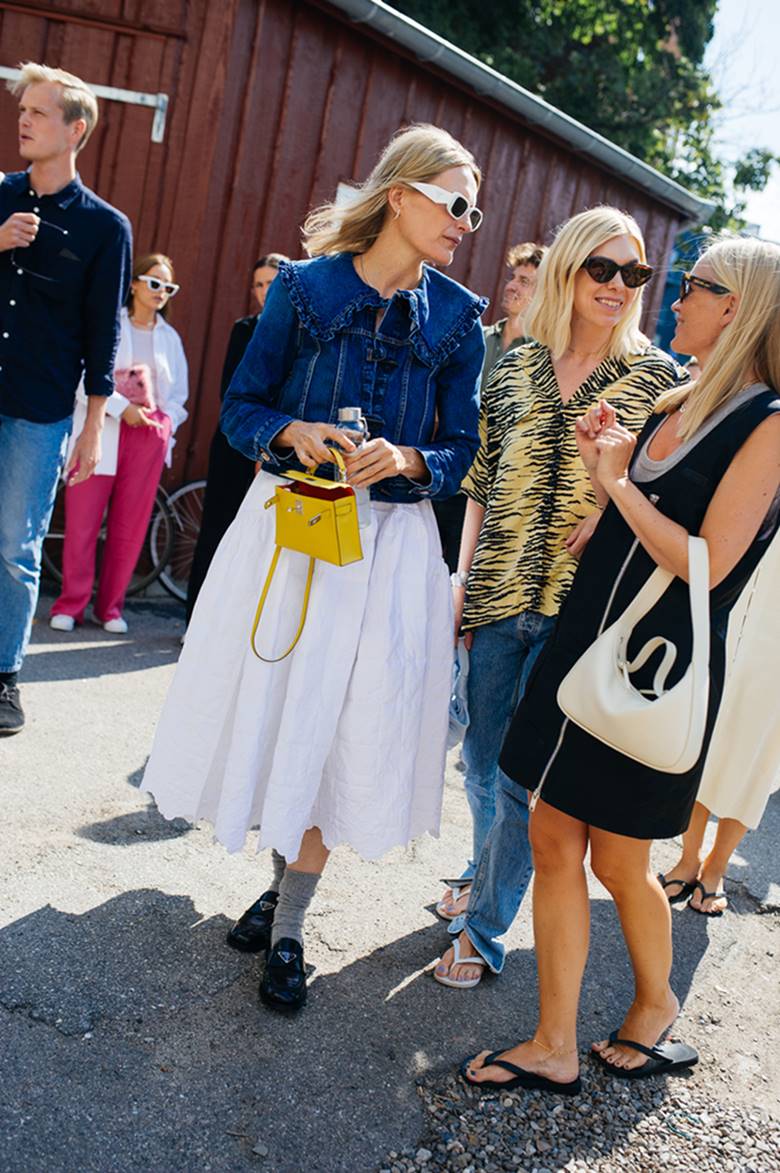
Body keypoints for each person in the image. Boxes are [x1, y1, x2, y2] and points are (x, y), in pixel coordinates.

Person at [141, 123, 486, 1011]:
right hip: (291, 534)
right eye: (455, 202)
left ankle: (289, 920)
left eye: (473, 210)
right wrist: (289, 433)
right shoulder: (300, 290)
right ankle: (279, 883)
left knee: (343, 721)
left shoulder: (459, 319)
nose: (465, 222)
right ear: (400, 195)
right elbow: (240, 409)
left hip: (390, 555)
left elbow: (461, 451)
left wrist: (406, 462)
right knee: (286, 702)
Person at [460, 234, 780, 1094]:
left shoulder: (769, 422)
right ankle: (553, 1042)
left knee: (620, 859)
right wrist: (608, 466)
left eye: (692, 285)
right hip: (584, 642)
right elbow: (625, 509)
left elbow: (708, 559)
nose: (669, 296)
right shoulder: (677, 396)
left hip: (652, 665)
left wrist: (622, 488)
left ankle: (656, 1006)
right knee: (552, 833)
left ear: (737, 306)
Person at [434, 207, 683, 985]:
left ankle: (485, 928)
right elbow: (480, 477)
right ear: (570, 269)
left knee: (518, 774)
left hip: (585, 604)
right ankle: (485, 870)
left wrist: (609, 503)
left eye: (633, 273)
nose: (617, 286)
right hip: (499, 588)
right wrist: (462, 577)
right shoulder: (515, 361)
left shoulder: (658, 379)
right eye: (602, 270)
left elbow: (669, 491)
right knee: (478, 759)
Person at [0, 63, 131, 733]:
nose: (23, 119)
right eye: (23, 109)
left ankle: (4, 677)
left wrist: (95, 424)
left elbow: (102, 329)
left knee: (12, 546)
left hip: (40, 407)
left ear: (75, 129)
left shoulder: (106, 228)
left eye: (40, 112)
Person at [49, 253, 188, 634]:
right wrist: (121, 407)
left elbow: (179, 398)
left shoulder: (170, 338)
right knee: (82, 523)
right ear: (135, 284)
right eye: (154, 282)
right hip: (100, 429)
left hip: (148, 438)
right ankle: (70, 604)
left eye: (167, 287)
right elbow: (82, 377)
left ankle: (110, 608)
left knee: (129, 528)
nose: (160, 292)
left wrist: (164, 422)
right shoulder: (109, 326)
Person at [658, 524, 780, 916]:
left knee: (757, 754)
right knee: (705, 734)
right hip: (731, 603)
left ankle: (717, 866)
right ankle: (689, 858)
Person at [185, 253, 288, 623]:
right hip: (235, 443)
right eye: (259, 284)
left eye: (272, 283)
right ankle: (195, 620)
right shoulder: (244, 329)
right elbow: (231, 390)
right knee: (217, 527)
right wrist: (253, 440)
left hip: (283, 446)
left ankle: (248, 623)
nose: (265, 291)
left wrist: (273, 441)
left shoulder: (304, 333)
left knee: (269, 537)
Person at [434, 241, 545, 572]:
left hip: (493, 495)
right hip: (449, 478)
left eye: (525, 281)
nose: (511, 285)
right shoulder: (476, 339)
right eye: (514, 277)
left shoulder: (545, 357)